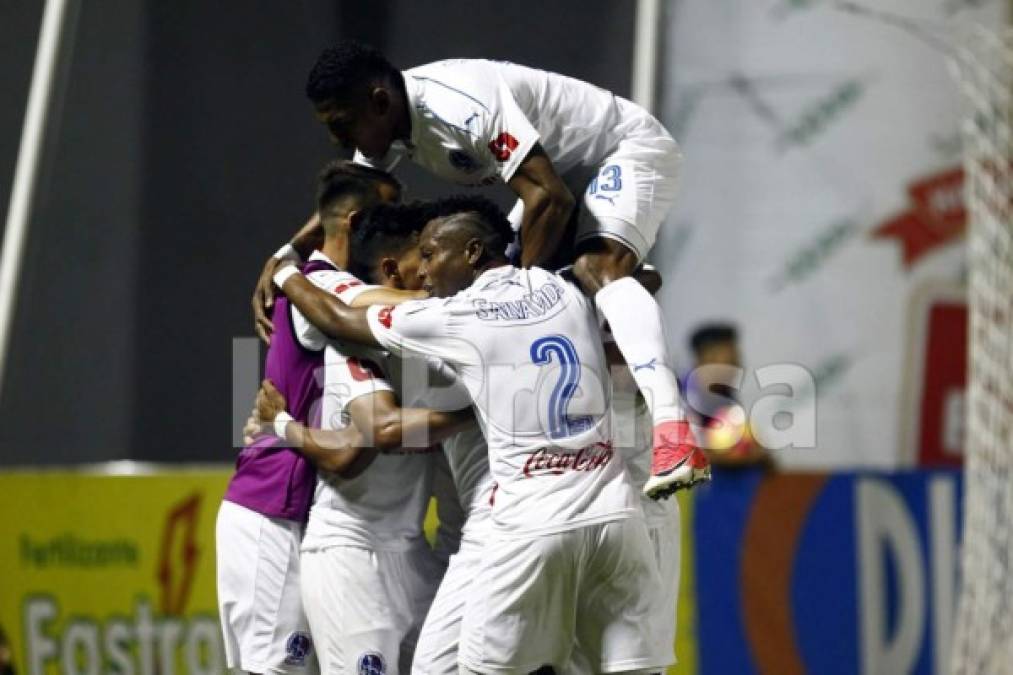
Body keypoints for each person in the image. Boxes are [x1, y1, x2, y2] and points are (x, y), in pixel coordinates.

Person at [271, 41, 708, 498]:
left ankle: (673, 430)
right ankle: (613, 308)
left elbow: (550, 198)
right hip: (560, 179)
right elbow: (350, 192)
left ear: (378, 102)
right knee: (501, 280)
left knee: (596, 268)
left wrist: (521, 293)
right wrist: (288, 250)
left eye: (343, 125)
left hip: (621, 151)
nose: (339, 140)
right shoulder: (391, 119)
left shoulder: (459, 109)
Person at [269, 195, 672, 673]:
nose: (425, 270)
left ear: (474, 252)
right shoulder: (560, 287)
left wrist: (283, 271)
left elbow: (341, 322)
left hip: (523, 522)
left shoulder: (454, 317)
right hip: (614, 511)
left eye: (433, 254)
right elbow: (642, 280)